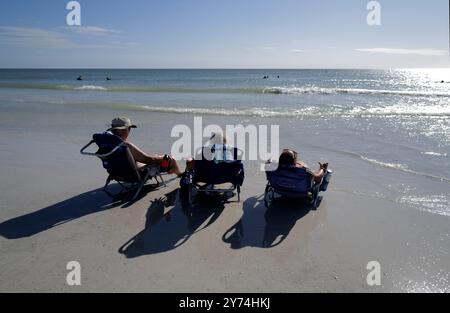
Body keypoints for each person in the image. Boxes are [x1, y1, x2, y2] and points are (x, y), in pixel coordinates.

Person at [107, 117, 183, 176]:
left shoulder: (109, 144)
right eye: (129, 128)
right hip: (135, 173)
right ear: (125, 130)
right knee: (169, 158)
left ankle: (170, 169)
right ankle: (179, 174)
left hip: (117, 172)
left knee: (157, 156)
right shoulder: (126, 146)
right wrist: (164, 157)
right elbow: (149, 159)